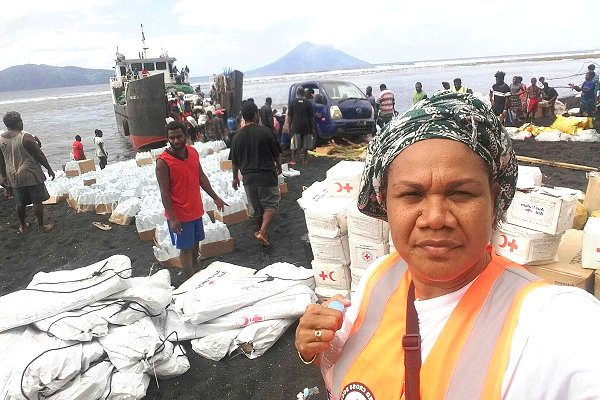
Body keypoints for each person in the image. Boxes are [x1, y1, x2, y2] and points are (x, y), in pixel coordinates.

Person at [295, 92, 600, 399]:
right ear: (385, 202)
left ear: (494, 199)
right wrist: (315, 343)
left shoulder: (552, 320)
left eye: (461, 193)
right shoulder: (379, 276)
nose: (436, 218)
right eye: (412, 195)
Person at [156, 121, 227, 278]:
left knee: (195, 243)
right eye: (172, 137)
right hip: (180, 214)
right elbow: (164, 193)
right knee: (186, 248)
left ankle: (195, 270)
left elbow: (201, 177)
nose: (176, 141)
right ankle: (190, 278)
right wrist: (173, 218)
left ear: (186, 135)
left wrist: (215, 197)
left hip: (195, 209)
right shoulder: (163, 162)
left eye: (179, 136)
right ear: (167, 138)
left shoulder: (193, 152)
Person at [230, 101, 282, 246]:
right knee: (271, 205)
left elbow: (234, 161)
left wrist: (235, 178)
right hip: (266, 175)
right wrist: (279, 166)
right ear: (255, 115)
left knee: (257, 208)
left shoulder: (237, 137)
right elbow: (276, 153)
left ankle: (261, 232)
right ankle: (263, 232)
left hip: (248, 178)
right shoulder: (265, 131)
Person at [0, 111, 55, 234]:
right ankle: (41, 226)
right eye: (21, 121)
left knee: (20, 203)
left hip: (13, 176)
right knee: (37, 201)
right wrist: (49, 169)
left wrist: (4, 177)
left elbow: (2, 162)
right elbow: (39, 155)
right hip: (31, 174)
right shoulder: (26, 137)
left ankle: (23, 226)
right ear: (18, 123)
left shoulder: (1, 139)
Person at [288, 86, 315, 165]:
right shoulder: (308, 103)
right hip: (306, 126)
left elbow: (290, 116)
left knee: (294, 144)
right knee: (305, 144)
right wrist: (312, 127)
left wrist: (289, 126)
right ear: (304, 93)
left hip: (296, 125)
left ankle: (293, 159)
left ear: (297, 93)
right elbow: (311, 117)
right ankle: (304, 160)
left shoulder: (292, 103)